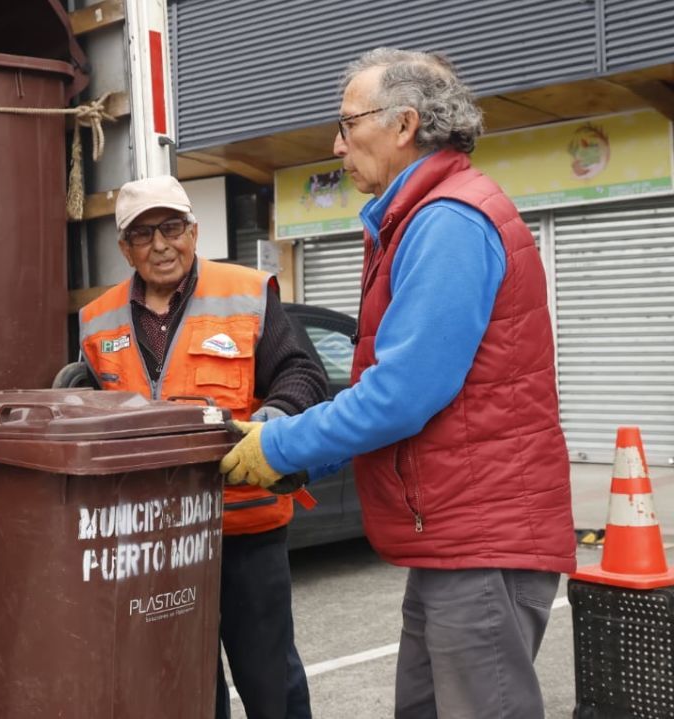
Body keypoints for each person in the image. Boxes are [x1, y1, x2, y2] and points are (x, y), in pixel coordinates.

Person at [219, 48, 576, 718]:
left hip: (481, 541)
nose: (337, 142)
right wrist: (295, 450)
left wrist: (278, 447)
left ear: (405, 123)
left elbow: (403, 394)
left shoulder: (448, 221)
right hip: (455, 540)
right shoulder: (419, 217)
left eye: (348, 123)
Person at [78, 175, 328, 719]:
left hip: (244, 533)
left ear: (194, 231)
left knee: (271, 685)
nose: (160, 245)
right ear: (125, 248)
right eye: (142, 234)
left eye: (171, 227)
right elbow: (90, 411)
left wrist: (270, 427)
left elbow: (303, 375)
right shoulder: (97, 322)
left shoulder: (245, 292)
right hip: (154, 543)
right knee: (182, 688)